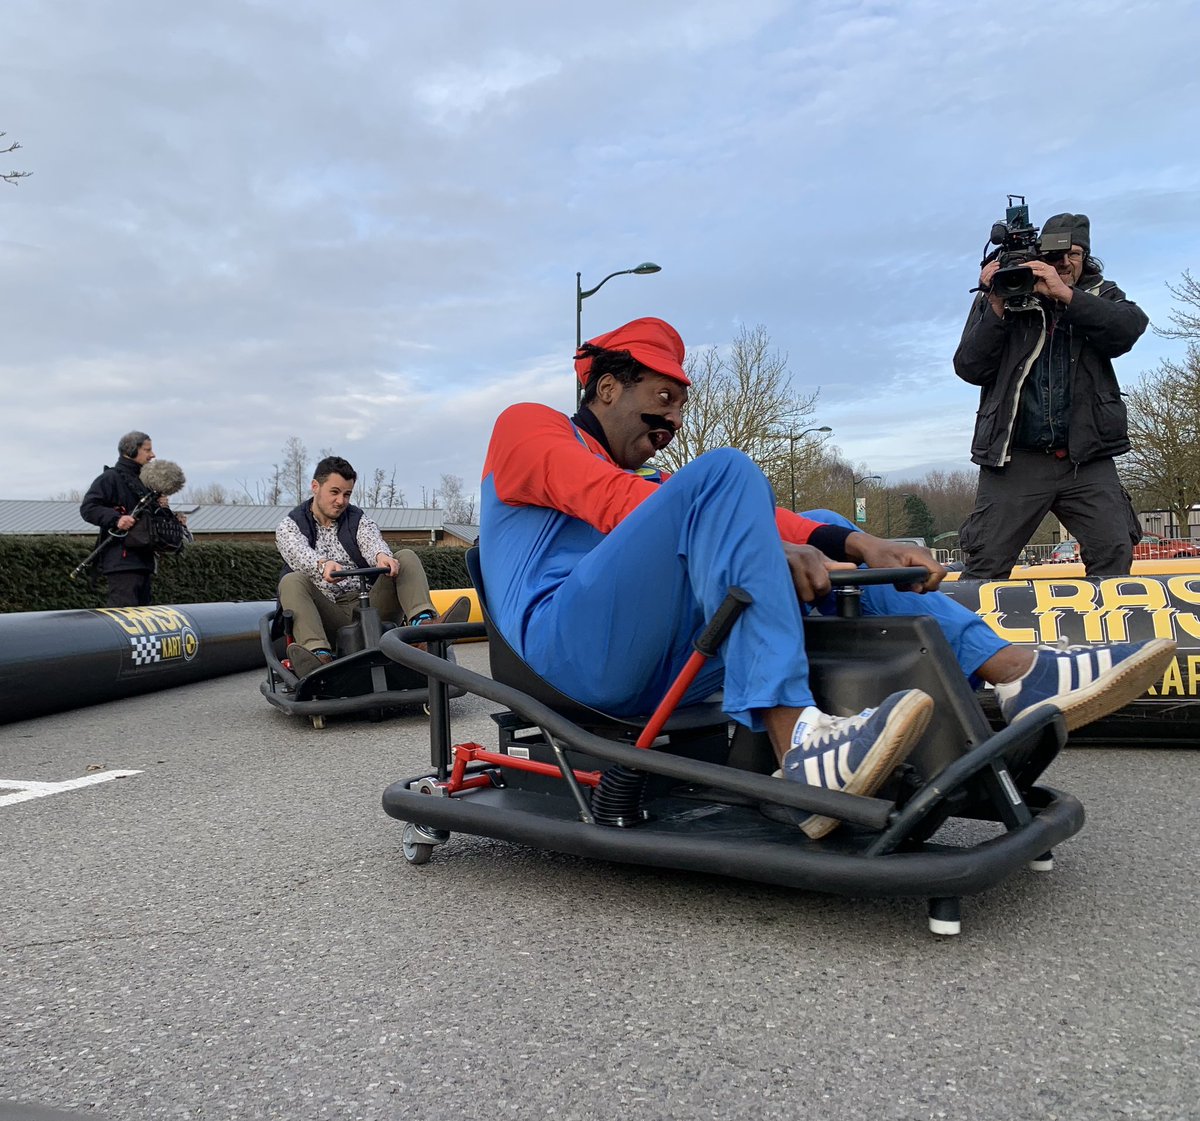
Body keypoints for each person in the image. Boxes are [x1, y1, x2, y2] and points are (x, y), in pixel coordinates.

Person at [479, 317, 1174, 838]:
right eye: (662, 398)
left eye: (681, 407)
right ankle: (799, 746)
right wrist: (757, 545)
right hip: (566, 651)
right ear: (606, 386)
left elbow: (764, 517)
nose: (672, 420)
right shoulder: (529, 428)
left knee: (804, 515)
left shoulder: (649, 484)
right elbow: (608, 499)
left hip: (654, 663)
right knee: (724, 473)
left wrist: (859, 543)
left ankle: (1015, 672)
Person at [955, 212, 1148, 578]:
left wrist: (1066, 296)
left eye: (1073, 254)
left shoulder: (1102, 294)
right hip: (1015, 458)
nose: (1064, 263)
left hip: (1086, 457)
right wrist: (995, 307)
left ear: (1086, 257)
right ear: (1039, 256)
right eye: (1055, 255)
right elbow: (969, 367)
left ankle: (1104, 618)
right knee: (986, 563)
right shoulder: (1005, 293)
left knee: (1114, 551)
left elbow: (1127, 330)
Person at [275, 455, 468, 677]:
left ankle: (425, 631)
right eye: (334, 492)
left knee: (405, 557)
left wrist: (381, 556)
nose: (341, 501)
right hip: (326, 612)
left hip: (370, 608)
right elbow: (298, 552)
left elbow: (371, 540)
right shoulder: (290, 526)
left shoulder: (357, 519)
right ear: (315, 487)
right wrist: (322, 565)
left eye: (347, 494)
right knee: (291, 581)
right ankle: (317, 655)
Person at [80, 431, 182, 607]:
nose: (153, 455)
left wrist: (166, 512)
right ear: (130, 451)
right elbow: (88, 508)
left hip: (144, 561)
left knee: (143, 617)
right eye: (147, 450)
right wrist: (117, 519)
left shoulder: (146, 483)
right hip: (122, 562)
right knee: (124, 617)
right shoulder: (110, 478)